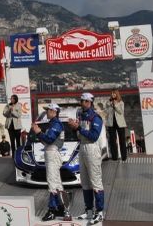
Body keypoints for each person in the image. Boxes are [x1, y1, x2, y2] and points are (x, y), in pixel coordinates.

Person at [69, 93, 105, 225]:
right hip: (82, 147)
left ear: (90, 102)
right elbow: (79, 135)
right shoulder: (80, 116)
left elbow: (94, 136)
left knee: (95, 181)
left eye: (84, 101)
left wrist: (79, 128)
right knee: (84, 182)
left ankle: (100, 212)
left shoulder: (95, 117)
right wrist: (74, 128)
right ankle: (89, 210)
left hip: (92, 148)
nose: (82, 103)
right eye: (81, 101)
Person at [33, 103, 67, 221]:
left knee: (52, 182)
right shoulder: (53, 124)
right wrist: (39, 134)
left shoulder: (56, 124)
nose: (46, 112)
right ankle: (61, 208)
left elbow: (50, 139)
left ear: (54, 111)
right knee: (56, 183)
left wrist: (38, 132)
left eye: (48, 110)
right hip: (50, 152)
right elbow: (46, 141)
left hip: (53, 153)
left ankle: (52, 210)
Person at [105, 90, 127, 162]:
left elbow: (121, 112)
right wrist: (110, 106)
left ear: (117, 94)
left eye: (114, 93)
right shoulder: (108, 103)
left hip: (120, 123)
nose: (112, 94)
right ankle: (114, 156)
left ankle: (124, 156)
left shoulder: (121, 102)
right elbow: (106, 112)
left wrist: (116, 105)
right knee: (112, 140)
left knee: (122, 140)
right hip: (111, 123)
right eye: (111, 93)